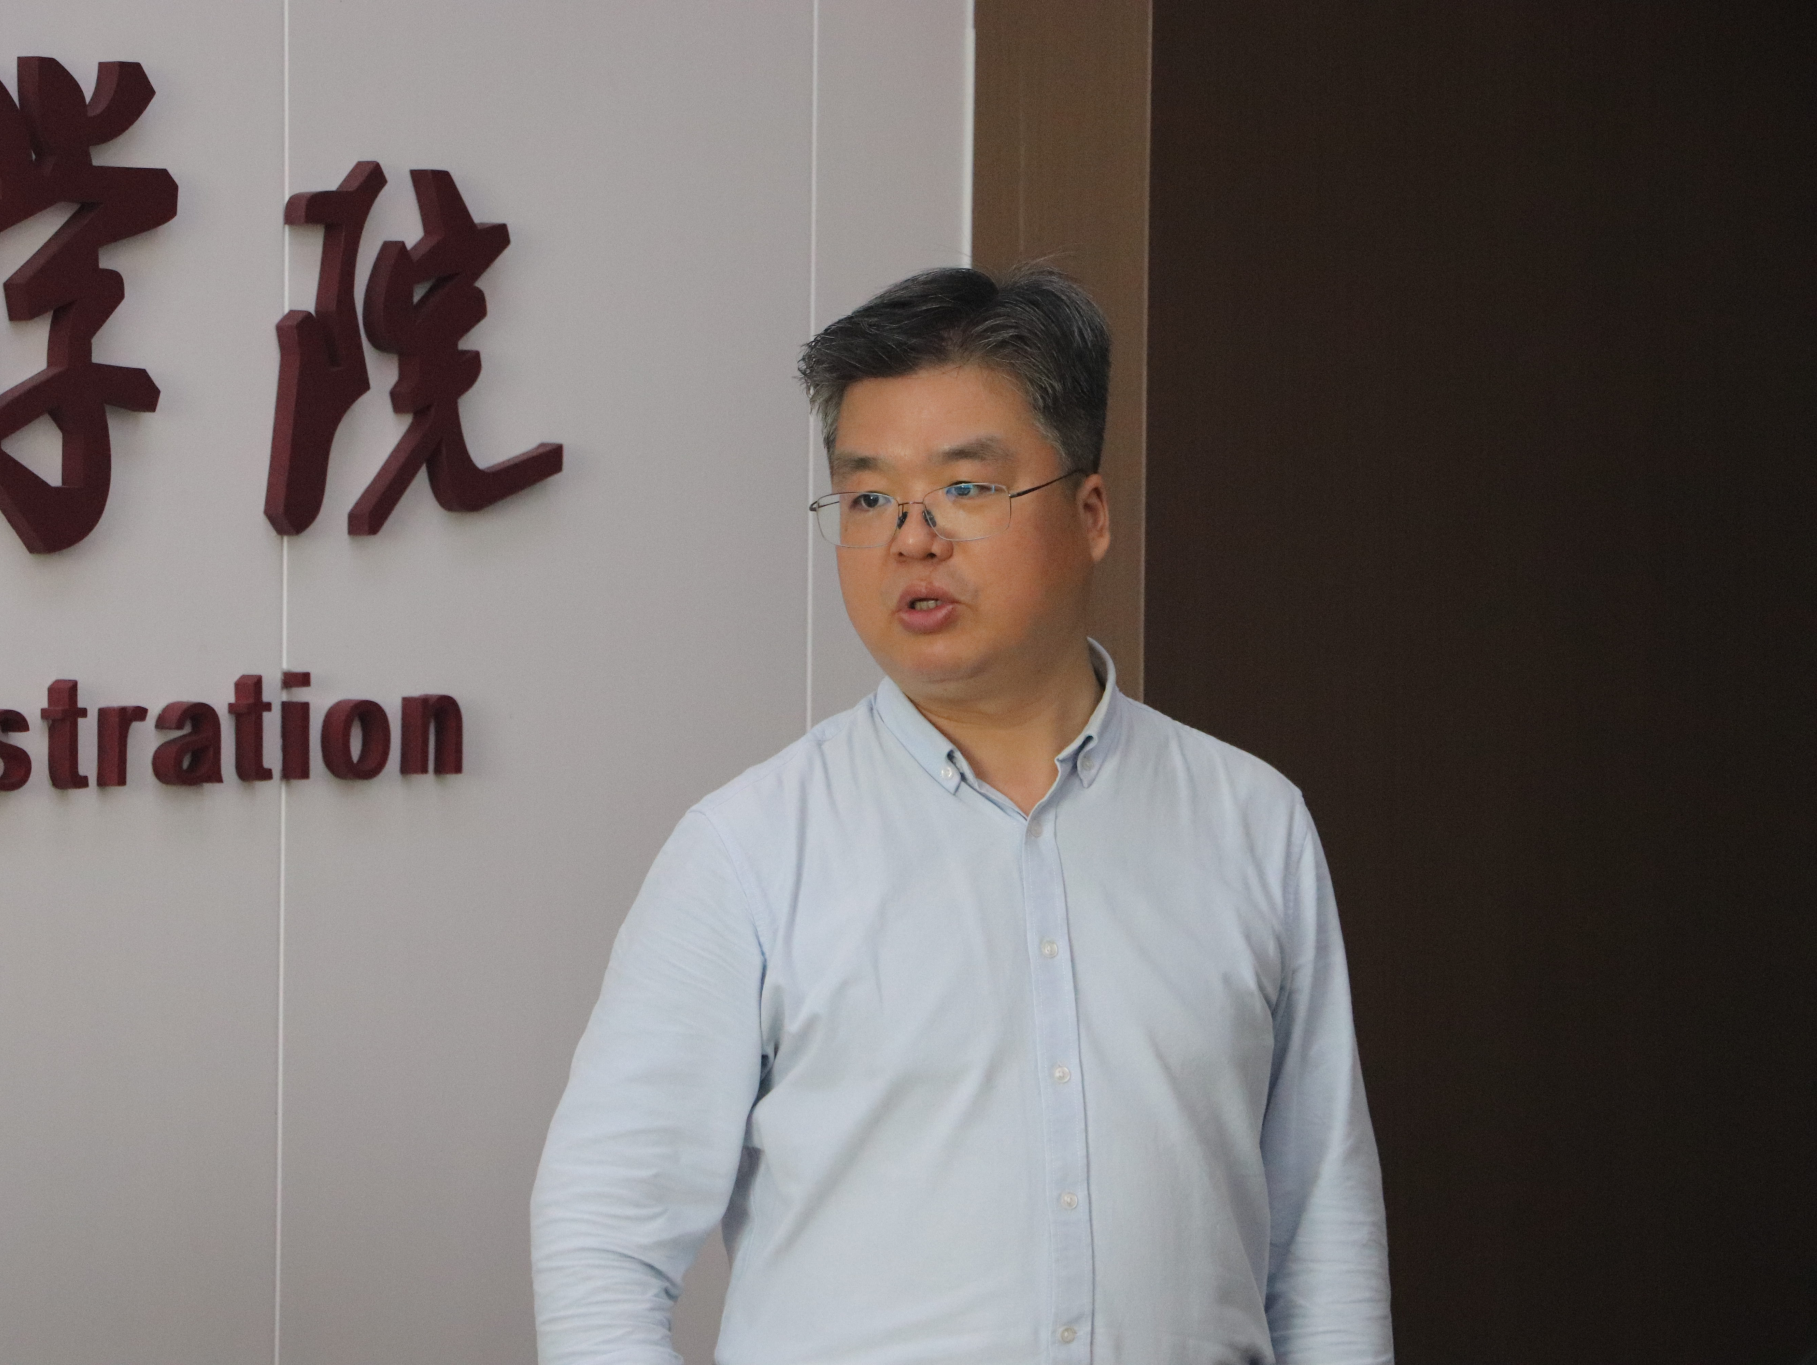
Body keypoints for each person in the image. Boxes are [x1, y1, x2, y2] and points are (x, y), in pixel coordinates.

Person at [531, 266, 1392, 1364]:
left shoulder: (1250, 822)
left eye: (966, 488)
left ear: (1089, 513)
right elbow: (603, 1233)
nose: (911, 538)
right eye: (868, 498)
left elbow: (1320, 1232)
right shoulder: (749, 849)